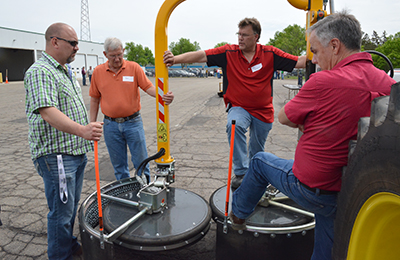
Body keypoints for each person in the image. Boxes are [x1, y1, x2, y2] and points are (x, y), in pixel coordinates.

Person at [229, 11, 396, 260]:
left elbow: (284, 116)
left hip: (313, 188)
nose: (315, 61)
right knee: (327, 243)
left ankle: (238, 216)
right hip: (350, 192)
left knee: (259, 161)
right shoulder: (387, 83)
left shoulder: (323, 81)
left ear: (335, 45)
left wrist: (307, 121)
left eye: (316, 52)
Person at [164, 17, 306, 189]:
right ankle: (241, 173)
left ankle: (255, 177)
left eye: (245, 35)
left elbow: (298, 62)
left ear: (256, 37)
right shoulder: (228, 52)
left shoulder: (270, 53)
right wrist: (175, 59)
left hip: (262, 110)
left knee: (257, 150)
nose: (240, 38)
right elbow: (202, 55)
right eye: (239, 34)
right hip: (239, 107)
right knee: (234, 125)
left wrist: (320, 52)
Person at [24, 22, 103, 260]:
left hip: (73, 154)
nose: (77, 48)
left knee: (68, 209)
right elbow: (47, 111)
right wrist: (83, 130)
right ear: (54, 41)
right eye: (73, 43)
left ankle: (68, 246)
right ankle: (61, 255)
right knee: (60, 213)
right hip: (57, 156)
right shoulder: (40, 71)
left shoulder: (64, 70)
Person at [90, 37, 174, 181]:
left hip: (133, 123)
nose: (117, 59)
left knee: (141, 161)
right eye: (113, 56)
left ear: (123, 51)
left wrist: (162, 96)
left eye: (119, 55)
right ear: (105, 55)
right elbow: (94, 99)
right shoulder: (98, 72)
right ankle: (125, 192)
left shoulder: (133, 68)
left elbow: (148, 87)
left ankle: (145, 189)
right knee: (119, 165)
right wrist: (91, 123)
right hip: (111, 125)